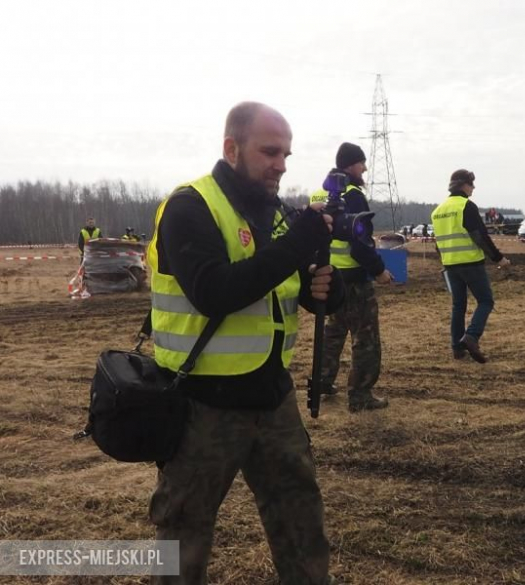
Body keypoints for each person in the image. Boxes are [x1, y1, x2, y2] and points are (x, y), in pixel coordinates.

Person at [146, 101, 341, 585]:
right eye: (270, 152)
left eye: (286, 156)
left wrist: (322, 292)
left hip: (274, 400)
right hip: (203, 408)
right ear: (232, 148)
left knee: (302, 527)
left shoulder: (275, 214)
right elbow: (216, 292)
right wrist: (299, 243)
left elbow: (282, 287)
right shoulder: (189, 207)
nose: (281, 165)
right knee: (182, 539)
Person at [309, 142, 393, 412]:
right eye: (361, 163)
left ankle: (321, 382)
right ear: (349, 165)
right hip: (355, 280)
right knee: (365, 339)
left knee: (332, 334)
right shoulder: (353, 194)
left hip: (329, 276)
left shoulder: (317, 194)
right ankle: (360, 395)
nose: (365, 168)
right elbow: (360, 243)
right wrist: (379, 270)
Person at [431, 169, 510, 363]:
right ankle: (472, 337)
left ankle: (457, 348)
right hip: (471, 264)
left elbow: (437, 243)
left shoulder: (438, 211)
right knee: (486, 301)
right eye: (472, 184)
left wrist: (445, 261)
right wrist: (498, 258)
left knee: (458, 305)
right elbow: (480, 237)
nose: (474, 188)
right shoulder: (466, 206)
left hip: (450, 265)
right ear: (464, 185)